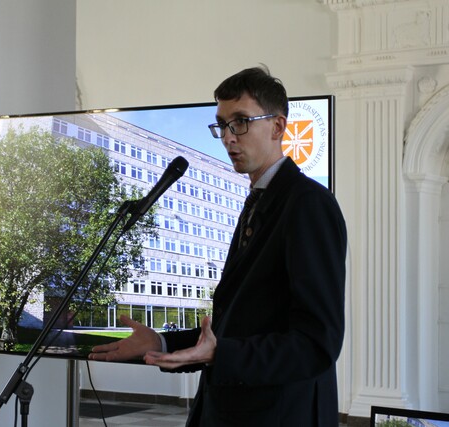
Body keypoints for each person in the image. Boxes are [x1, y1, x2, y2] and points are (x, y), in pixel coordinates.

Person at [88, 66, 347, 426]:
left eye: (240, 122)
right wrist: (161, 343)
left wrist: (219, 353)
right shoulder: (257, 202)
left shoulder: (308, 204)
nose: (227, 137)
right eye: (222, 125)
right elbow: (234, 329)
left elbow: (316, 344)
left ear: (277, 127)